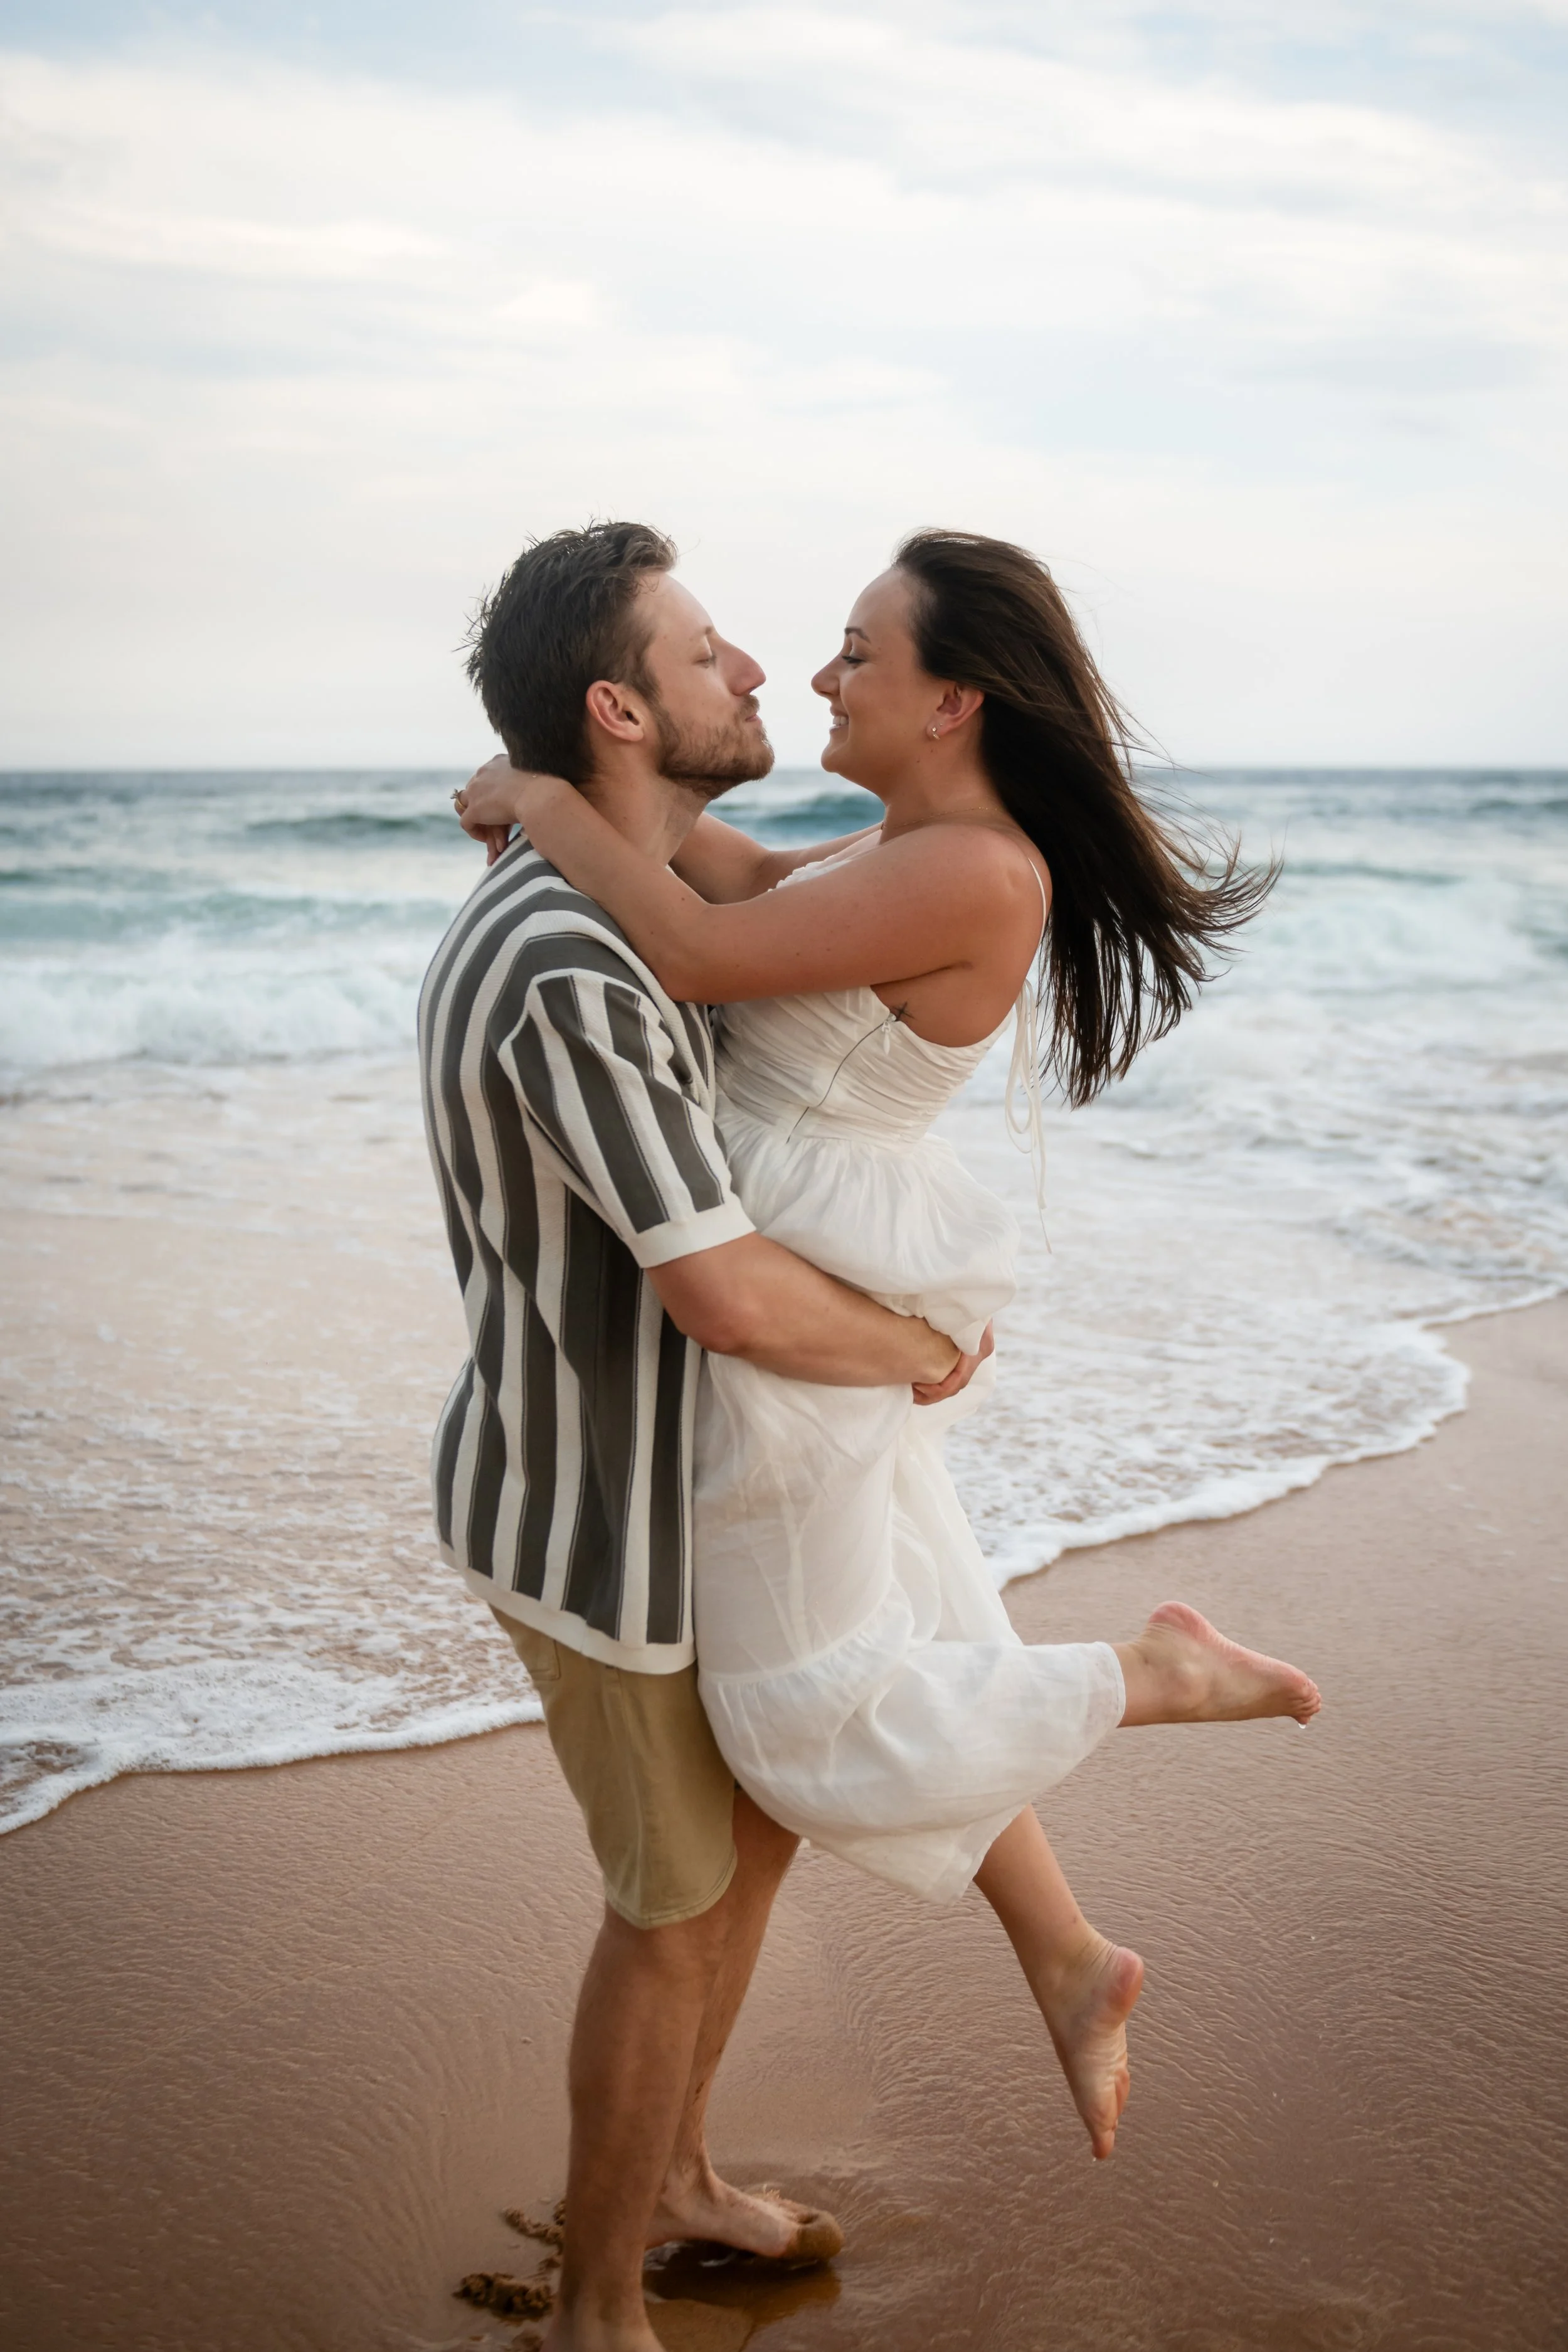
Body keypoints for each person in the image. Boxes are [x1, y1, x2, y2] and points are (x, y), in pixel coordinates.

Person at [453, 524, 1323, 2205]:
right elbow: (722, 882)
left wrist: (549, 803)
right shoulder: (895, 844)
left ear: (952, 700)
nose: (820, 671)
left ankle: (1144, 1674)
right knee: (904, 1619)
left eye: (860, 649)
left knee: (804, 1705)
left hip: (786, 1273)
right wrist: (559, 778)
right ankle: (1064, 1952)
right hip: (798, 1244)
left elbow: (699, 957)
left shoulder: (976, 869)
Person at [420, 521, 993, 2352]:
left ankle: (669, 2181)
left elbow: (737, 914)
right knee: (669, 1909)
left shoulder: (628, 899)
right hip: (602, 1516)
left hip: (678, 1492)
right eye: (705, 647)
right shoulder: (579, 961)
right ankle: (599, 2301)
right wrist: (914, 1343)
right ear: (618, 706)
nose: (754, 668)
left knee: (740, 1853)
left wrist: (523, 788)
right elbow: (724, 1292)